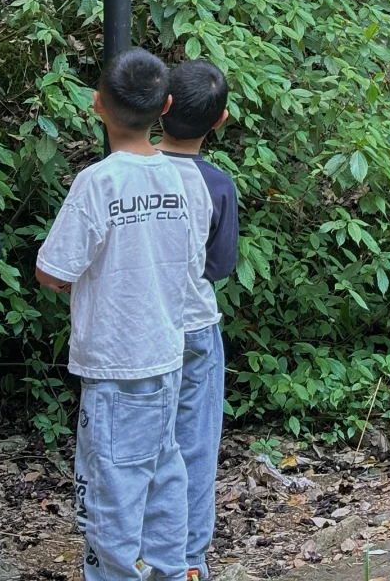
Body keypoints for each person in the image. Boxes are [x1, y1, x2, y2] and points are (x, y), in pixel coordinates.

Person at [36, 48, 206, 581]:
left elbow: (53, 271)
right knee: (164, 473)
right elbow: (193, 262)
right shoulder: (186, 178)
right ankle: (171, 571)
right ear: (167, 106)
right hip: (166, 352)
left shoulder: (98, 182)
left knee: (111, 483)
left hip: (113, 363)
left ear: (96, 106)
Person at [156, 60, 239, 581]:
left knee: (146, 444)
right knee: (195, 445)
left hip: (141, 327)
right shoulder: (216, 184)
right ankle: (188, 561)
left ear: (160, 107)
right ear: (220, 120)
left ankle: (142, 550)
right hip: (195, 326)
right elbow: (220, 265)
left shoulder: (132, 170)